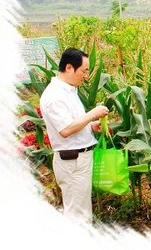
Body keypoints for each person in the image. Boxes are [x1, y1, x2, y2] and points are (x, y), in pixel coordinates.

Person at [40, 47, 109, 223]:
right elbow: (65, 130)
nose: (86, 76)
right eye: (84, 71)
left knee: (81, 211)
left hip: (79, 160)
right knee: (77, 216)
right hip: (72, 162)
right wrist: (93, 113)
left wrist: (91, 126)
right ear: (69, 67)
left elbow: (74, 123)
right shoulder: (55, 96)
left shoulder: (69, 91)